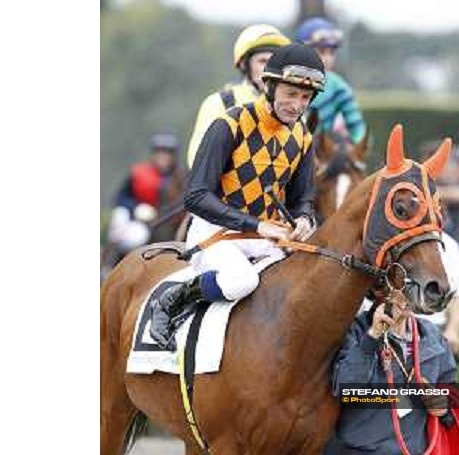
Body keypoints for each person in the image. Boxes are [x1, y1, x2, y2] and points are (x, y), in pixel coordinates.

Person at [149, 43, 325, 351]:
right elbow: (196, 196)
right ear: (268, 85)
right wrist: (256, 225)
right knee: (241, 282)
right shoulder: (228, 124)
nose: (297, 105)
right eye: (290, 94)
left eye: (305, 98)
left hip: (267, 239)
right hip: (215, 233)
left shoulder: (303, 138)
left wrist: (304, 219)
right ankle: (175, 298)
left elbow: (304, 199)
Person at [331, 290, 459, 455]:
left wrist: (444, 406)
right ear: (378, 291)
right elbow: (345, 391)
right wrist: (372, 337)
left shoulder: (433, 338)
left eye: (410, 289)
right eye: (396, 288)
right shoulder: (355, 331)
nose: (404, 296)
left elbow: (452, 395)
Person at [186, 24, 291, 169]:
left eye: (275, 62)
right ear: (243, 64)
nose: (270, 70)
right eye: (262, 61)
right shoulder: (219, 103)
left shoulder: (292, 108)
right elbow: (198, 162)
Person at [105, 132, 185, 260]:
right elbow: (120, 198)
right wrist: (136, 208)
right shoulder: (138, 173)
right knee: (135, 237)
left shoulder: (181, 177)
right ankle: (112, 264)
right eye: (160, 153)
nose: (163, 157)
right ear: (154, 155)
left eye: (167, 153)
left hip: (167, 223)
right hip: (139, 221)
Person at [295, 17, 366, 144]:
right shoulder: (286, 81)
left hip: (320, 152)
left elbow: (357, 128)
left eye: (332, 53)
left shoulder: (339, 87)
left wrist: (356, 150)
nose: (328, 59)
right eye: (321, 52)